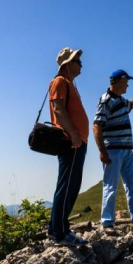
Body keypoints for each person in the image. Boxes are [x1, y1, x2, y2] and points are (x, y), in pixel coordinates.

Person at [93, 69, 133, 235]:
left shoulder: (121, 101)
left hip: (127, 150)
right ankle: (107, 223)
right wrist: (102, 150)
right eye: (126, 81)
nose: (128, 84)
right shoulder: (106, 100)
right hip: (113, 150)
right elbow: (96, 125)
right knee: (111, 186)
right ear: (119, 81)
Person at [48, 47, 89, 246]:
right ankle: (60, 234)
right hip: (71, 141)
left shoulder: (70, 84)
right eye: (77, 61)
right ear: (68, 64)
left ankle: (58, 228)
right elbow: (57, 108)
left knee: (70, 186)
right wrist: (73, 134)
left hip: (77, 141)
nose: (80, 64)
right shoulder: (60, 81)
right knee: (67, 186)